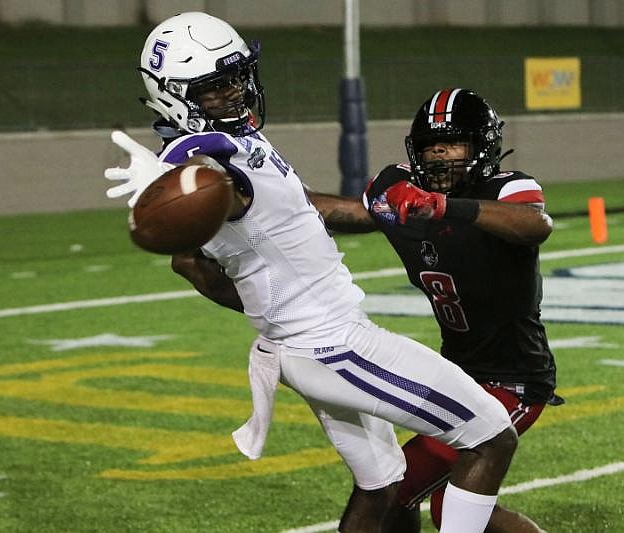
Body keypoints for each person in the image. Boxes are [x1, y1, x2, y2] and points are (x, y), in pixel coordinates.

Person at [104, 13, 519, 533]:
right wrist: (174, 162)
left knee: (385, 487)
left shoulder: (231, 143)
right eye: (215, 88)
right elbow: (210, 180)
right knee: (489, 435)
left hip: (304, 347)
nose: (236, 93)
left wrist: (381, 214)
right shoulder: (207, 168)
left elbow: (268, 220)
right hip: (334, 345)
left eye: (239, 77)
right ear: (172, 95)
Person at [309, 88, 562, 532]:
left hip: (515, 379)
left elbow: (533, 225)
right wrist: (265, 200)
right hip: (458, 374)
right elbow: (351, 213)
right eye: (430, 146)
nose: (440, 154)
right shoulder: (400, 190)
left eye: (453, 144)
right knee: (402, 492)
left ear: (482, 146)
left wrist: (448, 208)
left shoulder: (507, 188)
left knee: (419, 497)